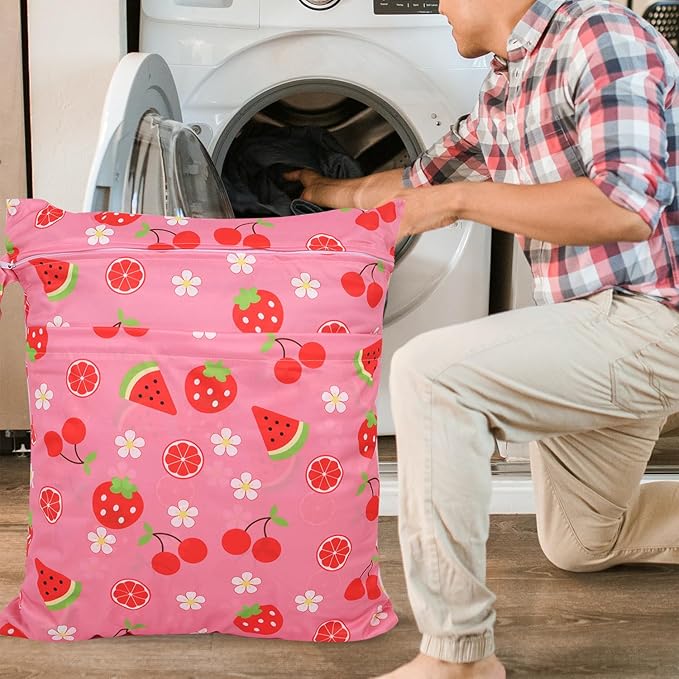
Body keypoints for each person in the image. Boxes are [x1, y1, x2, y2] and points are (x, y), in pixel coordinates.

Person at [285, 0, 679, 677]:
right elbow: (414, 187)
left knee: (431, 375)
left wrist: (460, 201)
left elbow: (623, 205)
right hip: (591, 327)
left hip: (653, 319)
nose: (437, 5)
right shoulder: (504, 87)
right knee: (582, 540)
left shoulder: (599, 35)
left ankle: (458, 657)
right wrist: (320, 191)